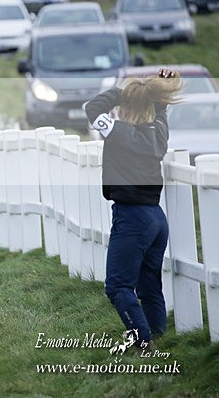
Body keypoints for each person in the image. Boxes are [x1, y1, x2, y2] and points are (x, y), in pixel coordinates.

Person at [84, 68, 182, 355]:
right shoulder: (159, 131)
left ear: (125, 105)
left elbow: (93, 107)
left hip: (132, 218)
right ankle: (157, 334)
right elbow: (161, 111)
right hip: (156, 218)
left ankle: (144, 344)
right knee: (149, 283)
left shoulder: (118, 132)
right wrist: (153, 90)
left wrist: (124, 91)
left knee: (117, 286)